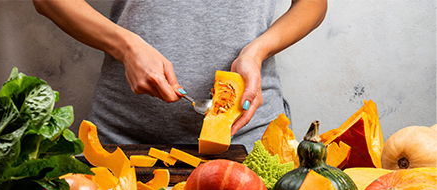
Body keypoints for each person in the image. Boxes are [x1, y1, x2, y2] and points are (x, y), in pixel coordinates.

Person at [32, 0, 327, 152]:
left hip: (248, 140)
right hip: (121, 138)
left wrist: (257, 52)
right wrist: (125, 46)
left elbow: (313, 4)